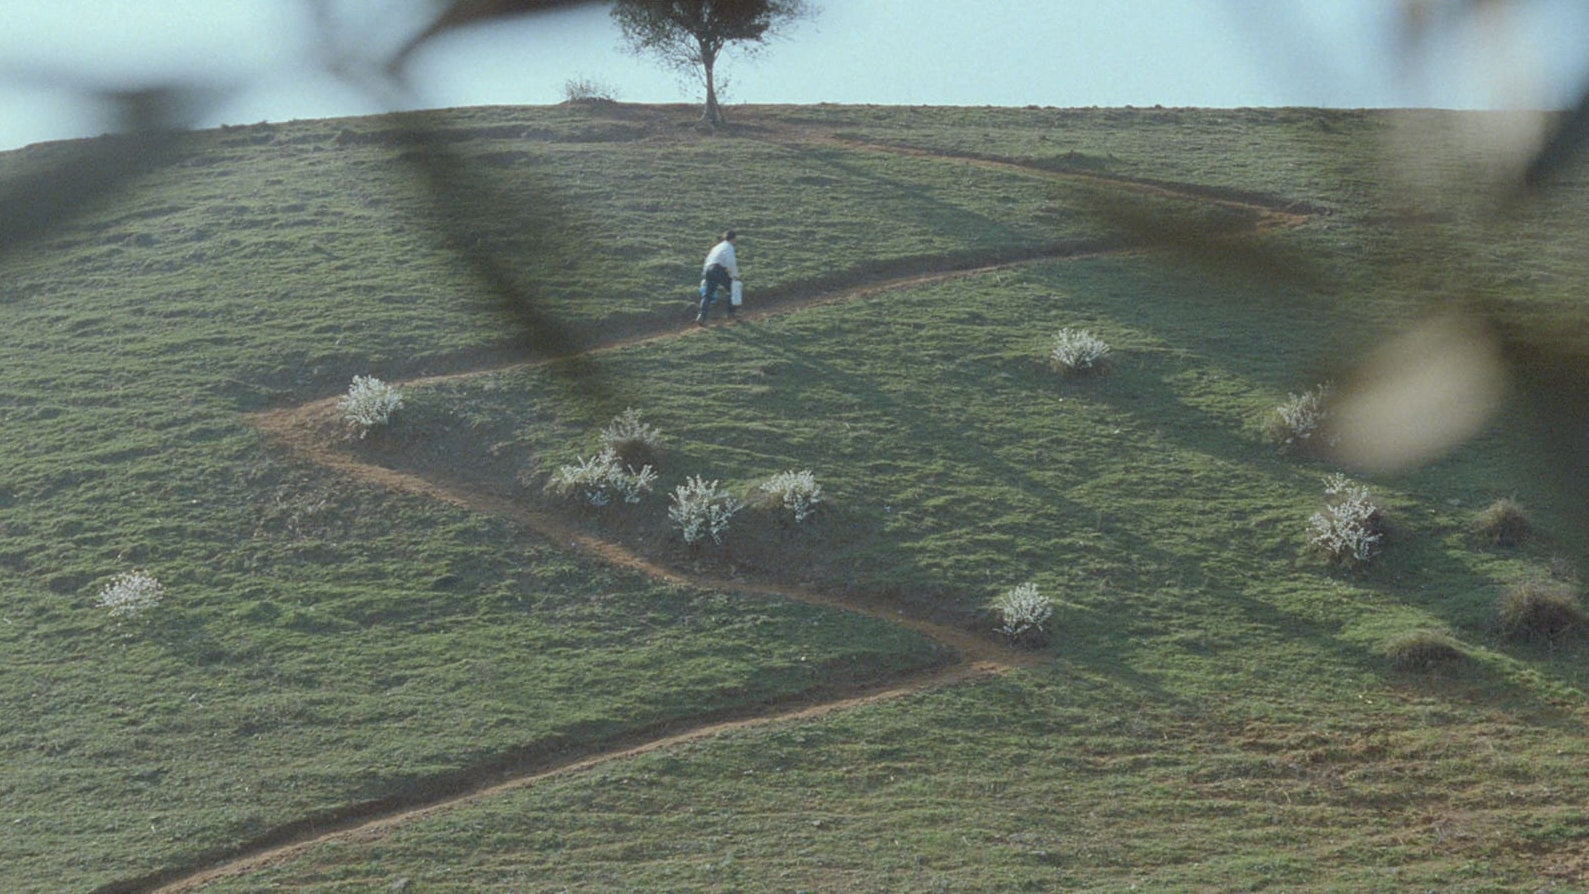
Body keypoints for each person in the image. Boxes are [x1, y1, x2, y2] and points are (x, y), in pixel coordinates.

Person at [696, 230, 741, 325]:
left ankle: (701, 316)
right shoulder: (729, 247)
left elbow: (707, 259)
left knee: (708, 294)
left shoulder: (717, 247)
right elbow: (731, 262)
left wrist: (705, 274)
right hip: (718, 269)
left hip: (709, 269)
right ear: (733, 239)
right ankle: (731, 313)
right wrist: (735, 275)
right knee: (731, 288)